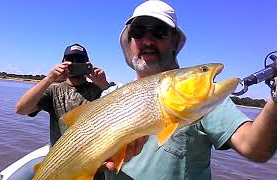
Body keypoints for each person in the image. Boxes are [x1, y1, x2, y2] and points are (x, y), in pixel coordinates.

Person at [103, 0, 277, 179]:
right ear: (130, 42)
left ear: (174, 41)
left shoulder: (206, 98)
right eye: (138, 32)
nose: (147, 40)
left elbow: (255, 149)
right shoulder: (107, 96)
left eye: (159, 32)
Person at [16, 43, 112, 147]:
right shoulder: (53, 90)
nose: (74, 62)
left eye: (79, 59)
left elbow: (121, 112)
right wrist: (49, 78)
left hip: (91, 153)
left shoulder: (102, 90)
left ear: (87, 64)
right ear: (62, 63)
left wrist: (104, 84)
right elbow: (21, 109)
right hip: (61, 156)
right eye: (70, 59)